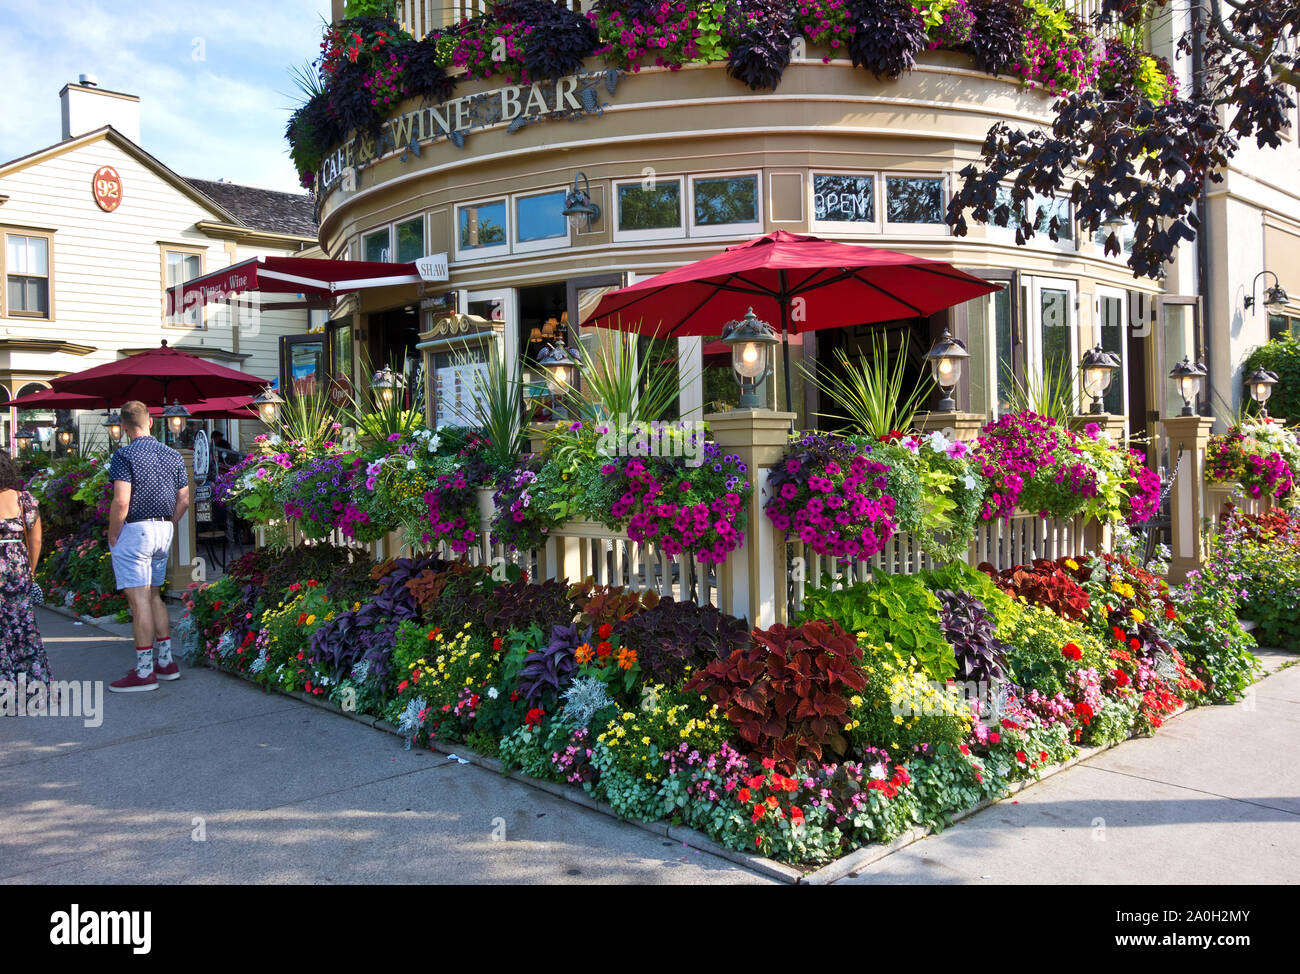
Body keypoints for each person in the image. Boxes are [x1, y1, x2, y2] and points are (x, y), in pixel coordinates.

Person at [107, 401, 190, 693]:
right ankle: (165, 663)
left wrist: (113, 534)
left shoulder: (124, 455)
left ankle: (144, 672)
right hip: (163, 528)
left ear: (126, 427)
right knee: (155, 595)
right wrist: (169, 523)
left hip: (135, 530)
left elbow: (121, 501)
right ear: (151, 422)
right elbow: (184, 500)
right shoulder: (172, 455)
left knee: (139, 599)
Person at [0, 453, 50, 688]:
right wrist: (29, 570)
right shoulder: (25, 500)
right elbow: (36, 541)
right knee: (23, 625)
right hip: (18, 567)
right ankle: (32, 686)